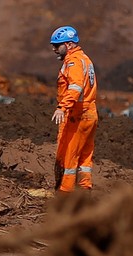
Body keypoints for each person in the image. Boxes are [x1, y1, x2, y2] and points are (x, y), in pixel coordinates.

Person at [50, 25, 98, 193]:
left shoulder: (74, 61)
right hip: (90, 113)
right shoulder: (85, 59)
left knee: (69, 157)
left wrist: (62, 107)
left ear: (69, 44)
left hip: (78, 115)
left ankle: (65, 194)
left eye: (57, 45)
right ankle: (84, 192)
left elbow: (75, 87)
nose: (54, 49)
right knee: (85, 157)